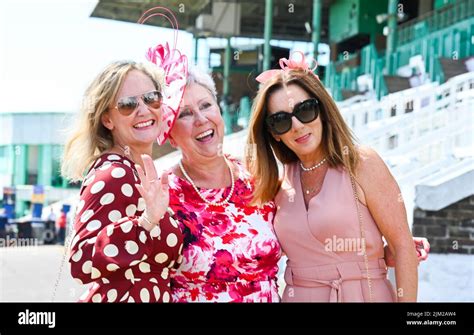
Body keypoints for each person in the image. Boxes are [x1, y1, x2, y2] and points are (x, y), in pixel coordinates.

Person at [247, 52, 421, 302]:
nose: (296, 126)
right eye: (281, 120)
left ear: (323, 110)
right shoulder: (277, 183)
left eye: (305, 110)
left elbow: (402, 247)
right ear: (273, 133)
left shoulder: (362, 163)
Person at [61, 59, 186, 302]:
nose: (143, 110)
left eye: (151, 98)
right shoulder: (114, 174)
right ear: (108, 120)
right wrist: (145, 223)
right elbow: (81, 261)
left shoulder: (136, 171)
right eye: (127, 105)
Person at [166, 68, 281, 302]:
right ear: (169, 135)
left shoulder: (259, 178)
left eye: (206, 105)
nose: (200, 119)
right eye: (185, 114)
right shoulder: (162, 193)